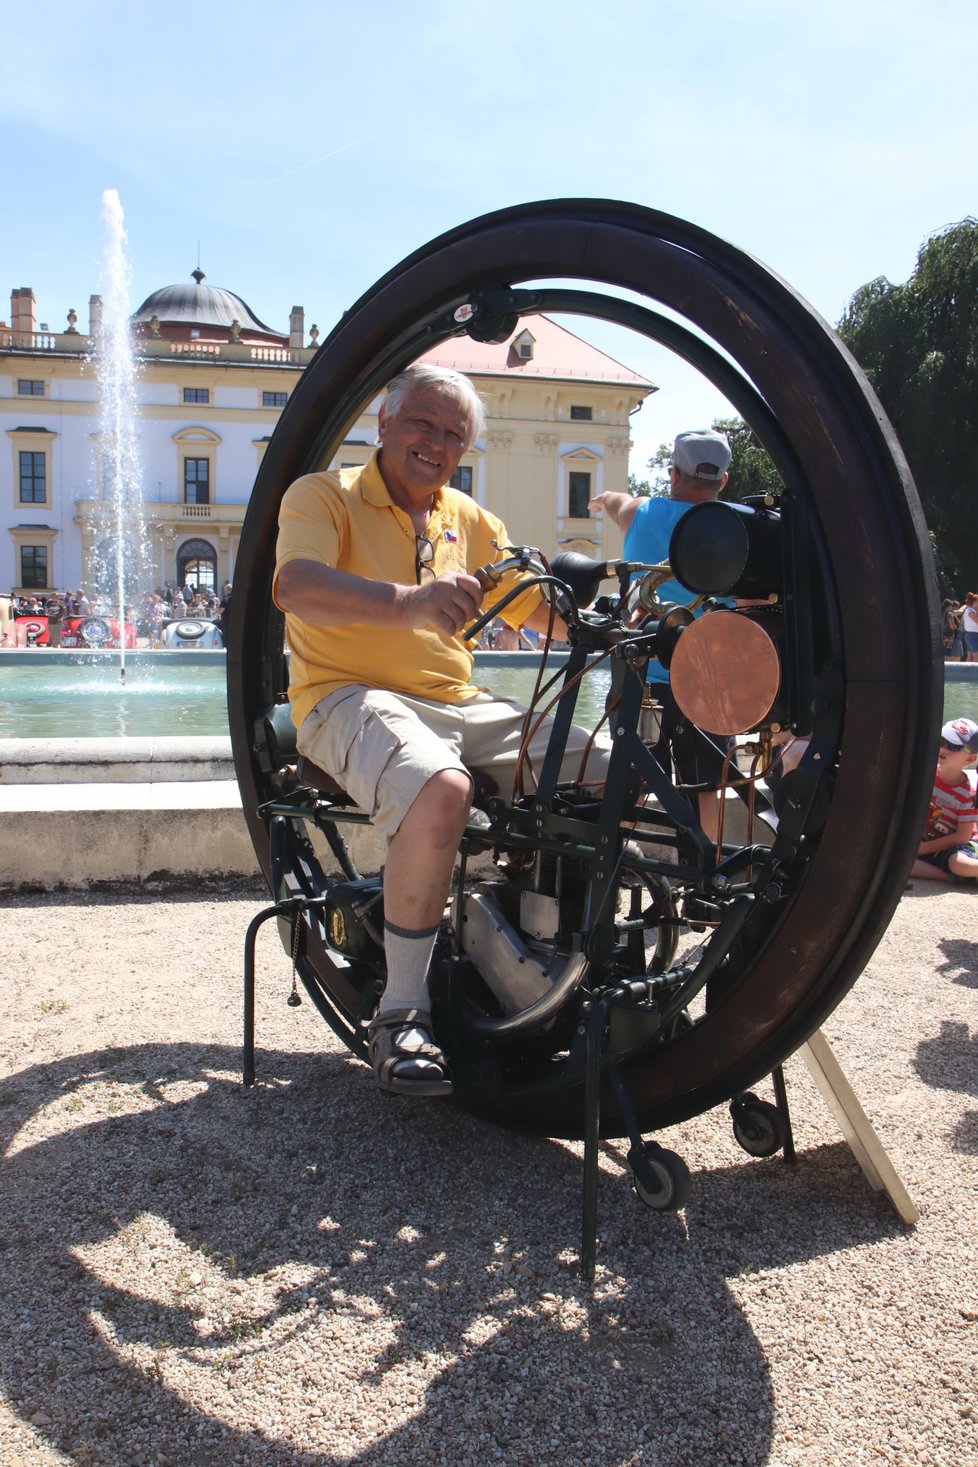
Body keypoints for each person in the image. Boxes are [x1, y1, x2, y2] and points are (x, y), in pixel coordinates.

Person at [274, 364, 609, 1098]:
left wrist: (614, 626)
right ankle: (400, 1013)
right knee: (439, 787)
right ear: (385, 423)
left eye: (454, 434)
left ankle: (534, 946)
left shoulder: (466, 518)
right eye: (424, 422)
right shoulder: (323, 495)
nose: (438, 441)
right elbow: (293, 586)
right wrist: (409, 602)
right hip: (346, 697)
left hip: (457, 701)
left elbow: (532, 608)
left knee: (608, 770)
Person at [590, 429, 733, 841]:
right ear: (722, 480)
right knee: (708, 788)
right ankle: (710, 879)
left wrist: (603, 499)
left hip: (640, 679)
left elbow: (618, 502)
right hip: (710, 686)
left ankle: (618, 866)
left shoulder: (641, 512)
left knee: (629, 779)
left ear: (672, 474)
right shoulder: (734, 527)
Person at [911, 718, 978, 884]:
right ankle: (953, 878)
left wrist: (924, 849)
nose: (943, 748)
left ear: (969, 760)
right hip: (929, 840)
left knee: (958, 864)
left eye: (953, 746)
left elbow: (962, 836)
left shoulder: (968, 795)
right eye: (942, 741)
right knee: (901, 864)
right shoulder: (927, 774)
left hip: (957, 846)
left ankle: (963, 872)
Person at [957, 592, 978, 663]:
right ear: (975, 602)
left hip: (970, 635)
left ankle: (967, 673)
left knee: (970, 658)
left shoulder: (968, 611)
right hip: (974, 636)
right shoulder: (971, 612)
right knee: (976, 658)